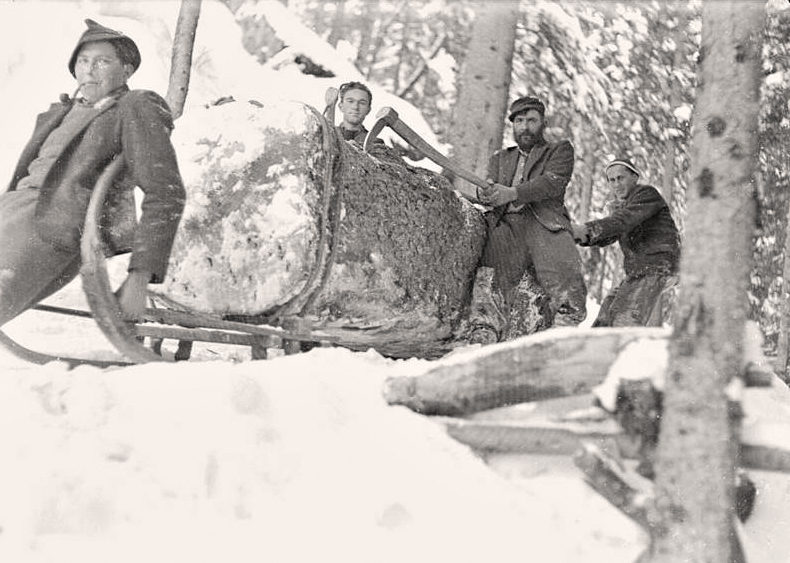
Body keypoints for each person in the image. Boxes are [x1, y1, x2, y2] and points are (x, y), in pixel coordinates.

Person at [0, 19, 186, 327]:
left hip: (51, 222)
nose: (89, 69)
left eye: (102, 61)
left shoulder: (134, 105)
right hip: (10, 210)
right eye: (83, 61)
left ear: (126, 71)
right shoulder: (60, 112)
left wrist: (140, 277)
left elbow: (166, 192)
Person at [472, 95, 587, 338]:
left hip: (542, 222)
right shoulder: (500, 158)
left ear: (542, 123)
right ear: (512, 125)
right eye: (520, 121)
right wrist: (485, 194)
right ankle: (484, 329)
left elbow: (552, 183)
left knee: (563, 272)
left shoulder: (559, 150)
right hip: (506, 226)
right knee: (489, 277)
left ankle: (564, 328)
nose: (525, 127)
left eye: (532, 120)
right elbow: (489, 190)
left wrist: (512, 193)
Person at [571, 157, 680, 327]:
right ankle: (597, 350)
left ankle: (624, 350)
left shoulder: (646, 194)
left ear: (635, 177)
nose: (616, 184)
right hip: (639, 270)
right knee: (606, 315)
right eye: (611, 180)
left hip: (656, 265)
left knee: (625, 319)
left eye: (620, 178)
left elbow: (622, 221)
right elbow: (611, 234)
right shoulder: (624, 206)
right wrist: (580, 236)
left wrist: (585, 230)